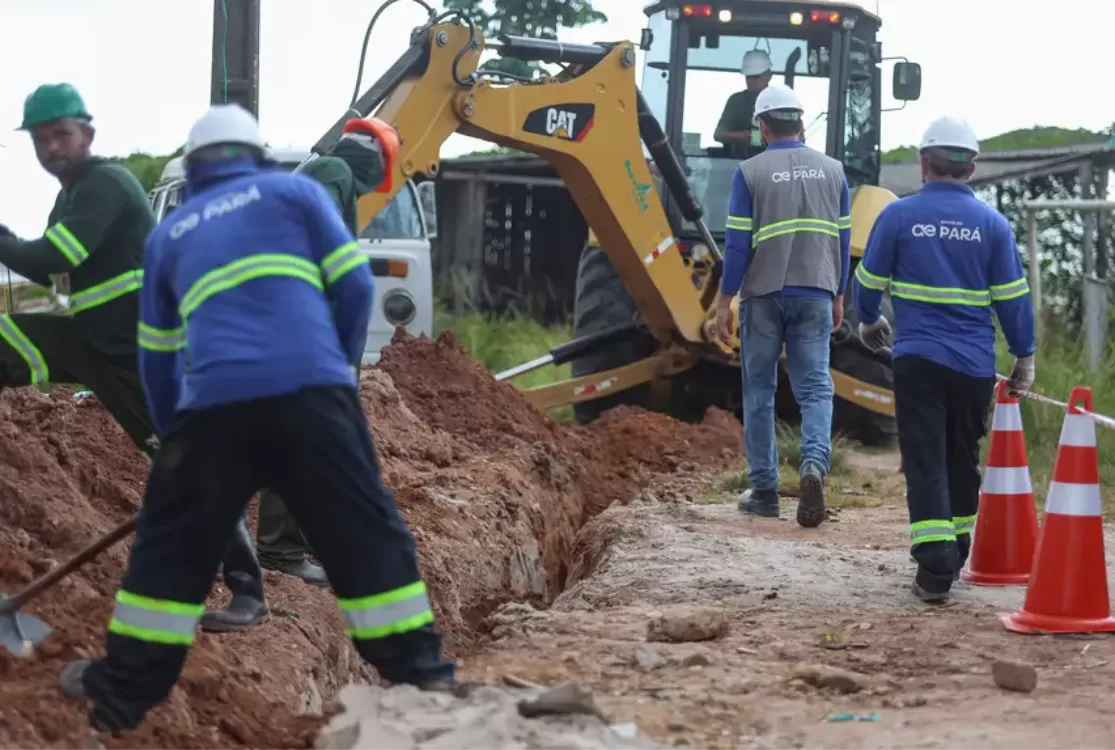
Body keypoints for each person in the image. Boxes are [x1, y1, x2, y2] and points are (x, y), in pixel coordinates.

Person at [59, 103, 457, 732]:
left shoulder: (171, 233)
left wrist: (174, 441)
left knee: (168, 558)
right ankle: (422, 672)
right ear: (256, 156)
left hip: (212, 409)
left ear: (194, 171)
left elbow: (157, 354)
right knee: (365, 533)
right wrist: (333, 371)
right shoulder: (295, 197)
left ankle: (121, 696)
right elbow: (354, 288)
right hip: (312, 394)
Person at [0, 83, 269, 631]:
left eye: (61, 134)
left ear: (87, 135)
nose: (51, 146)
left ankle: (248, 591)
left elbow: (55, 258)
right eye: (41, 138)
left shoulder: (107, 184)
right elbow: (53, 279)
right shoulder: (69, 198)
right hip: (93, 340)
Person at [852, 116, 1036, 603]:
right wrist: (1025, 358)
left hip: (918, 361)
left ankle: (936, 567)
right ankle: (956, 543)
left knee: (924, 456)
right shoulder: (993, 226)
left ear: (922, 163)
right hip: (975, 366)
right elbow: (1013, 300)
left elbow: (867, 283)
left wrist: (868, 321)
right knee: (960, 456)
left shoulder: (897, 215)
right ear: (971, 168)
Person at [237, 117, 393, 590]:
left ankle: (295, 543)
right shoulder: (333, 173)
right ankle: (280, 551)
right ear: (376, 159)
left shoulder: (323, 174)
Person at [716, 85, 851, 528]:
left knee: (760, 391)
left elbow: (736, 244)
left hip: (763, 295)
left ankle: (766, 491)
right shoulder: (833, 171)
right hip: (816, 291)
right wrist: (839, 293)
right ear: (800, 120)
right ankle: (813, 465)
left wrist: (724, 300)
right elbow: (843, 240)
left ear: (762, 124)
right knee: (814, 388)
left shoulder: (750, 172)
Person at [714, 48, 799, 160]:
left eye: (755, 77)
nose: (751, 81)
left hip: (772, 167)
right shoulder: (736, 101)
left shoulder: (780, 102)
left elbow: (792, 138)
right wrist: (742, 137)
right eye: (748, 77)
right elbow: (718, 134)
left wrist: (755, 137)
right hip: (736, 166)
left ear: (768, 76)